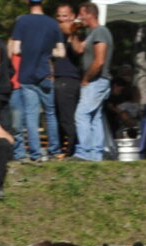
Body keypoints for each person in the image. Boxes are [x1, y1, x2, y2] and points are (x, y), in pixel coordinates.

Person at [10, 0, 65, 162]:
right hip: (45, 74)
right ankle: (54, 151)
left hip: (27, 75)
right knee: (50, 113)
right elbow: (61, 53)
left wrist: (28, 51)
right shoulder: (52, 23)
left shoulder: (22, 22)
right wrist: (48, 52)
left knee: (31, 116)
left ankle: (35, 154)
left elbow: (15, 49)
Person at [69, 3, 114, 161]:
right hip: (96, 81)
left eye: (81, 14)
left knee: (81, 115)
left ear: (90, 14)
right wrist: (73, 33)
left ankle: (84, 153)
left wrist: (86, 79)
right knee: (95, 117)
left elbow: (99, 61)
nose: (79, 17)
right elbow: (79, 49)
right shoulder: (91, 33)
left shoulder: (101, 31)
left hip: (96, 80)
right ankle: (96, 155)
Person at [54, 3, 83, 157]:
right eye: (58, 16)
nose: (60, 20)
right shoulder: (56, 35)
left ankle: (72, 150)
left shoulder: (75, 33)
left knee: (67, 118)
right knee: (58, 118)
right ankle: (60, 148)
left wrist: (72, 32)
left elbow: (78, 50)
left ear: (72, 17)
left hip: (69, 79)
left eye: (64, 16)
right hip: (58, 78)